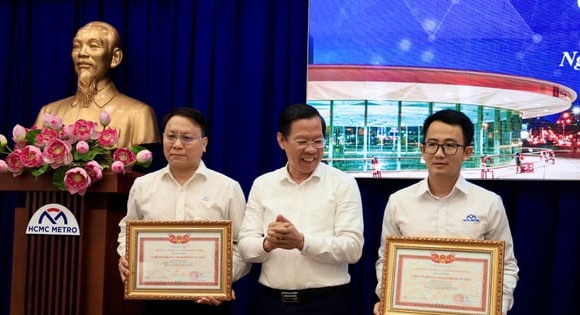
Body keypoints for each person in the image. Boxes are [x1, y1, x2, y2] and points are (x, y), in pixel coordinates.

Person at [373, 109, 519, 315]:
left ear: (467, 152)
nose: (439, 153)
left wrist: (497, 307)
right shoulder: (399, 202)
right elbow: (386, 261)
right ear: (423, 149)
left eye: (450, 145)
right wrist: (387, 296)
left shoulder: (489, 203)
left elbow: (507, 266)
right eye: (432, 144)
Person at [116, 107, 250, 315]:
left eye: (187, 138)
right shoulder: (143, 186)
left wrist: (221, 281)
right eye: (171, 136)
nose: (177, 144)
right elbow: (127, 231)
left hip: (208, 302)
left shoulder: (227, 188)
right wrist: (127, 258)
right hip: (155, 299)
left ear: (204, 144)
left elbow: (242, 245)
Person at [238, 103, 364, 315]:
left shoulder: (343, 183)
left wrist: (302, 242)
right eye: (302, 141)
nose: (311, 149)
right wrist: (268, 243)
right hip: (271, 302)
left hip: (327, 302)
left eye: (318, 141)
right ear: (281, 140)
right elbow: (244, 246)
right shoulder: (263, 184)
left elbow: (352, 248)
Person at [34, 21, 160, 148]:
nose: (82, 53)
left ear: (115, 57)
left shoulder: (138, 114)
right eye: (77, 46)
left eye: (93, 46)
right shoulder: (49, 112)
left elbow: (145, 164)